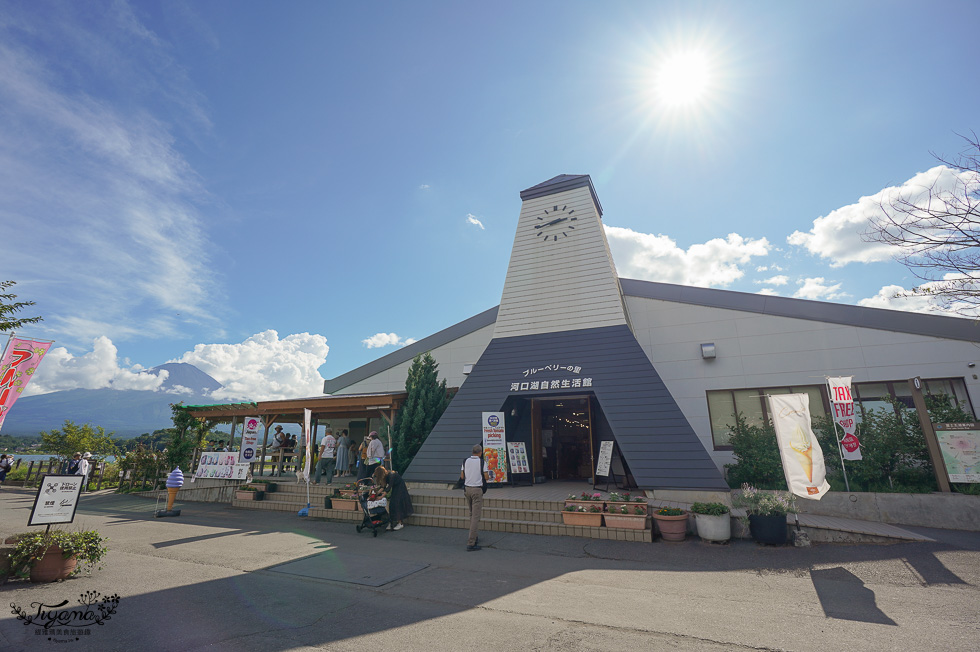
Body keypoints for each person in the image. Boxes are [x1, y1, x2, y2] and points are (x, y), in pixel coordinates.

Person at [460, 444, 488, 551]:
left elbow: (462, 476)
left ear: (472, 452)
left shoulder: (465, 461)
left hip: (467, 489)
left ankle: (474, 536)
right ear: (480, 453)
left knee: (471, 514)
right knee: (476, 516)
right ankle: (471, 542)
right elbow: (486, 477)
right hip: (477, 490)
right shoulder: (482, 462)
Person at [373, 466, 413, 531]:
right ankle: (393, 522)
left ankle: (400, 523)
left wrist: (381, 496)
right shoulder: (386, 476)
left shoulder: (391, 475)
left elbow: (388, 488)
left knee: (397, 503)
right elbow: (383, 486)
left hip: (400, 487)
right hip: (395, 488)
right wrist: (376, 493)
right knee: (392, 504)